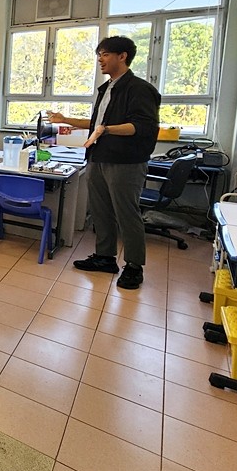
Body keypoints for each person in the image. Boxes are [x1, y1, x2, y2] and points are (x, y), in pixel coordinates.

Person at [48, 35, 160, 290]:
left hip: (125, 162)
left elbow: (143, 127)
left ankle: (134, 266)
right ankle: (105, 257)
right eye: (99, 55)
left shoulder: (139, 89)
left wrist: (107, 130)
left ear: (123, 56)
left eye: (106, 54)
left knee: (127, 213)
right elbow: (96, 124)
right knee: (100, 210)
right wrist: (65, 119)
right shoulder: (107, 88)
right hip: (98, 156)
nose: (100, 59)